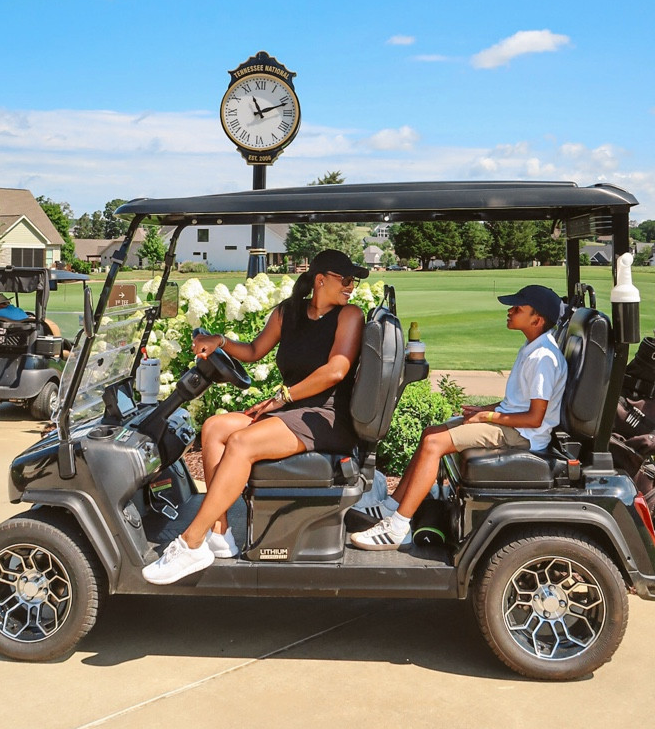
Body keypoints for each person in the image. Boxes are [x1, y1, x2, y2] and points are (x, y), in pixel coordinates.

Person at [142, 250, 368, 584]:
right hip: (292, 411)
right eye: (345, 279)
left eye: (354, 281)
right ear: (321, 280)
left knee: (242, 442)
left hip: (325, 416)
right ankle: (219, 533)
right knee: (215, 428)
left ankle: (191, 543)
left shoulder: (350, 315)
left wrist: (283, 397)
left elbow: (336, 371)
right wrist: (219, 341)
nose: (351, 286)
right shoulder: (287, 313)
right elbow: (253, 351)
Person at [351, 284, 568, 552]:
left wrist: (490, 416)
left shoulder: (543, 357)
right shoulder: (533, 347)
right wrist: (484, 410)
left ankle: (397, 528)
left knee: (434, 445)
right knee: (431, 433)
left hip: (523, 436)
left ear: (537, 319)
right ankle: (390, 507)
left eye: (517, 308)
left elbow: (535, 418)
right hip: (514, 426)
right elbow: (519, 403)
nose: (509, 312)